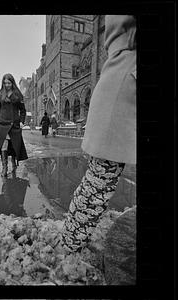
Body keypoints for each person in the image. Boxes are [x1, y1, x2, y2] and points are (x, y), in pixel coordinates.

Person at [59, 15, 136, 252]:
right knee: (99, 181)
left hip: (119, 76)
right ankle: (69, 247)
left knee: (98, 180)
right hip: (125, 80)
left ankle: (70, 244)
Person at [0, 73, 28, 177]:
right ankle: (4, 168)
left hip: (14, 125)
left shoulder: (18, 94)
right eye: (5, 83)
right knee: (4, 145)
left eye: (9, 83)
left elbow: (23, 110)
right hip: (2, 124)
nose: (7, 85)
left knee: (14, 146)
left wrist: (21, 122)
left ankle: (13, 164)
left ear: (12, 82)